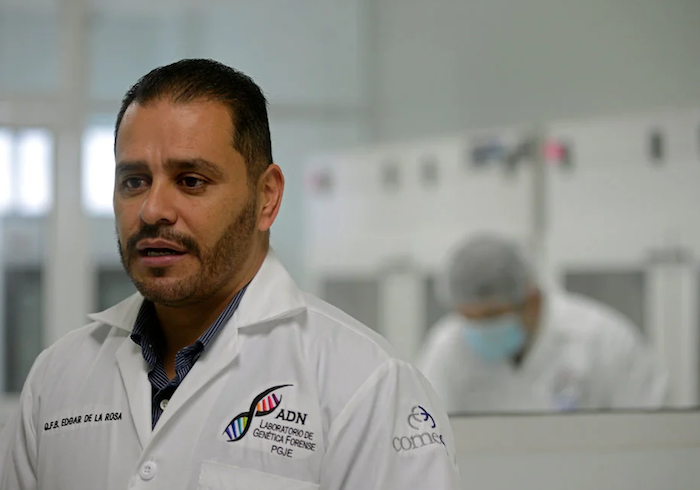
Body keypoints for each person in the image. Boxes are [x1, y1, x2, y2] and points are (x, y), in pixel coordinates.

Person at [0, 59, 461, 490]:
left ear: (266, 197)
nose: (152, 209)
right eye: (134, 181)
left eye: (191, 181)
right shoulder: (58, 375)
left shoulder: (366, 384)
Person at [416, 233, 668, 413]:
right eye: (470, 317)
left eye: (492, 315)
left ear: (531, 299)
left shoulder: (601, 339)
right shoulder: (447, 347)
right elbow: (424, 434)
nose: (480, 327)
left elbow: (653, 427)